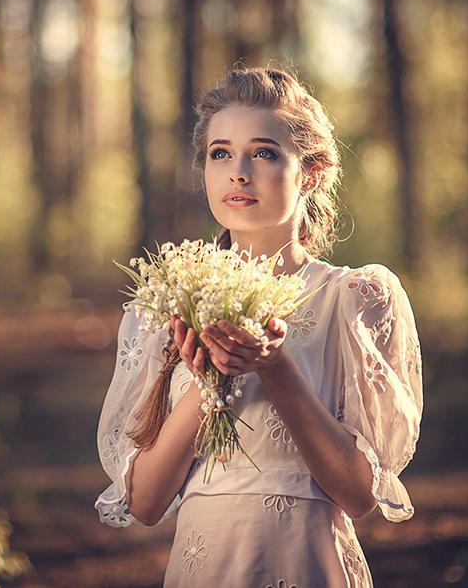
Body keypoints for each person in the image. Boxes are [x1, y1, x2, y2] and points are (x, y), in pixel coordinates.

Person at [95, 67, 422, 587]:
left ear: (310, 173)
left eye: (264, 153)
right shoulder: (164, 306)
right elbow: (147, 504)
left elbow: (360, 496)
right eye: (220, 153)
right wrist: (208, 385)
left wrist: (275, 364)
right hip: (203, 567)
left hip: (308, 565)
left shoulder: (355, 298)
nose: (237, 172)